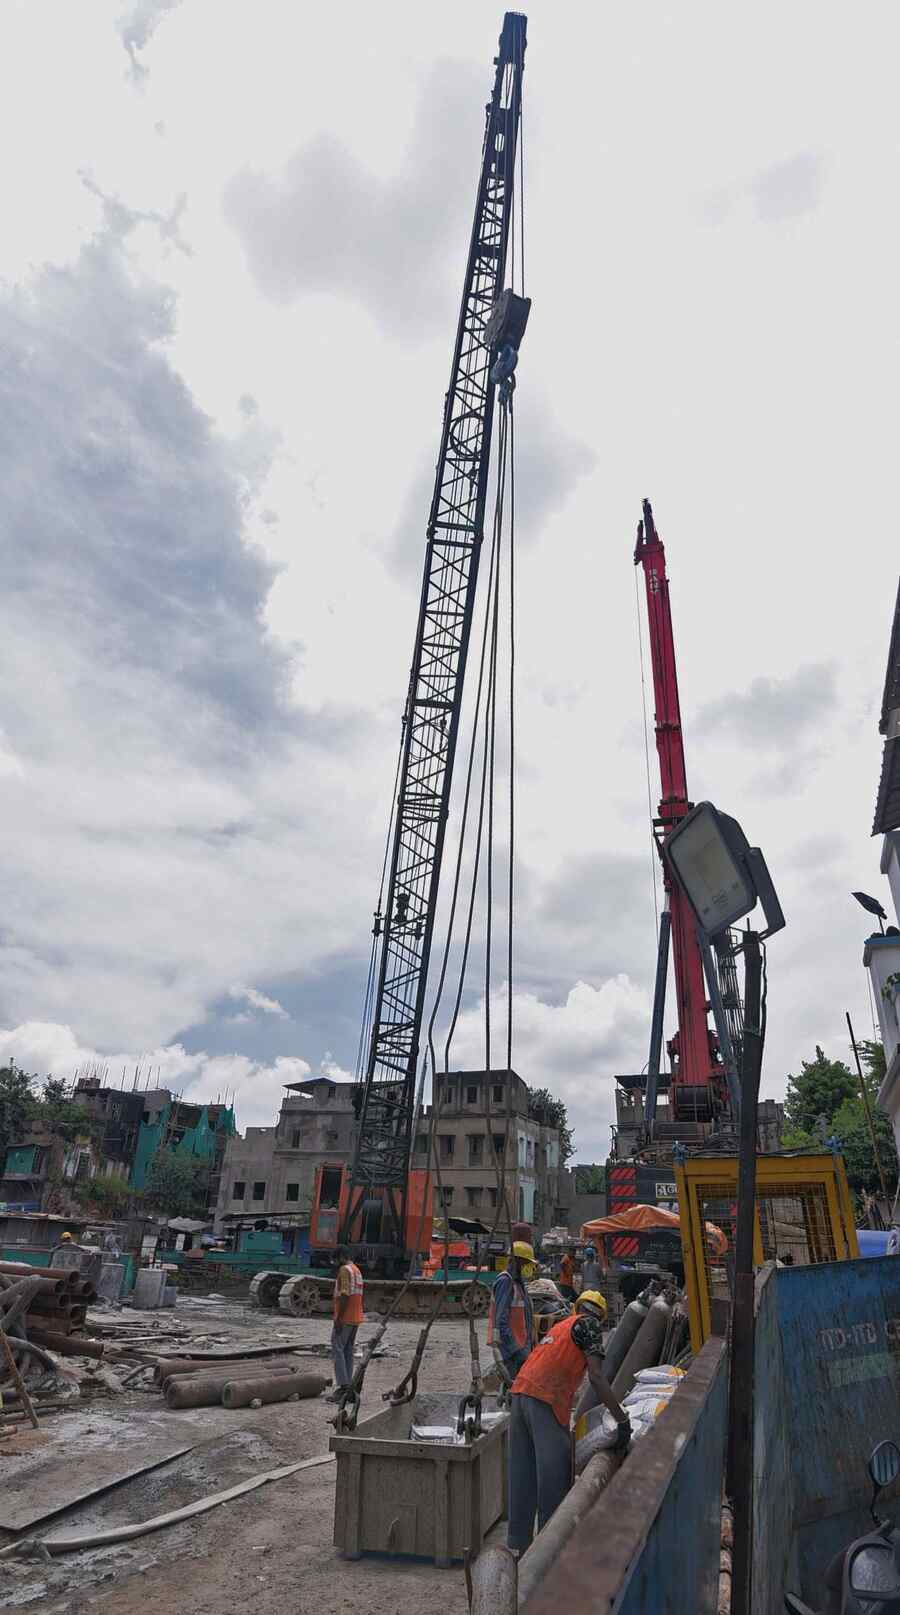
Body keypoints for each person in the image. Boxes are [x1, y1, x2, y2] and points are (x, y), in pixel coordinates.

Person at [507, 1290, 630, 1554]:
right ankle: (548, 1554)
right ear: (601, 1316)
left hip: (519, 1395)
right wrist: (621, 1419)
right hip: (544, 1399)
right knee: (555, 1480)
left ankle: (517, 1552)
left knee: (523, 1479)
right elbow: (597, 1377)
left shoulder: (563, 1325)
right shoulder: (589, 1326)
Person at [488, 1241, 536, 1383]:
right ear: (516, 1261)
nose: (526, 1267)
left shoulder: (518, 1283)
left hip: (521, 1346)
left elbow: (524, 1315)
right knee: (514, 1389)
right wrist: (515, 1349)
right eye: (525, 1263)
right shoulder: (505, 1282)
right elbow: (500, 1320)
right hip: (512, 1351)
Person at [330, 1245, 364, 1401]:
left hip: (345, 1317)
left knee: (337, 1348)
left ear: (341, 1257)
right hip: (356, 1317)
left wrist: (339, 1318)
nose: (335, 1263)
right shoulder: (356, 1269)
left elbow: (344, 1295)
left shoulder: (344, 1270)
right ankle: (349, 1386)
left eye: (335, 1259)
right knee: (348, 1350)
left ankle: (343, 1388)